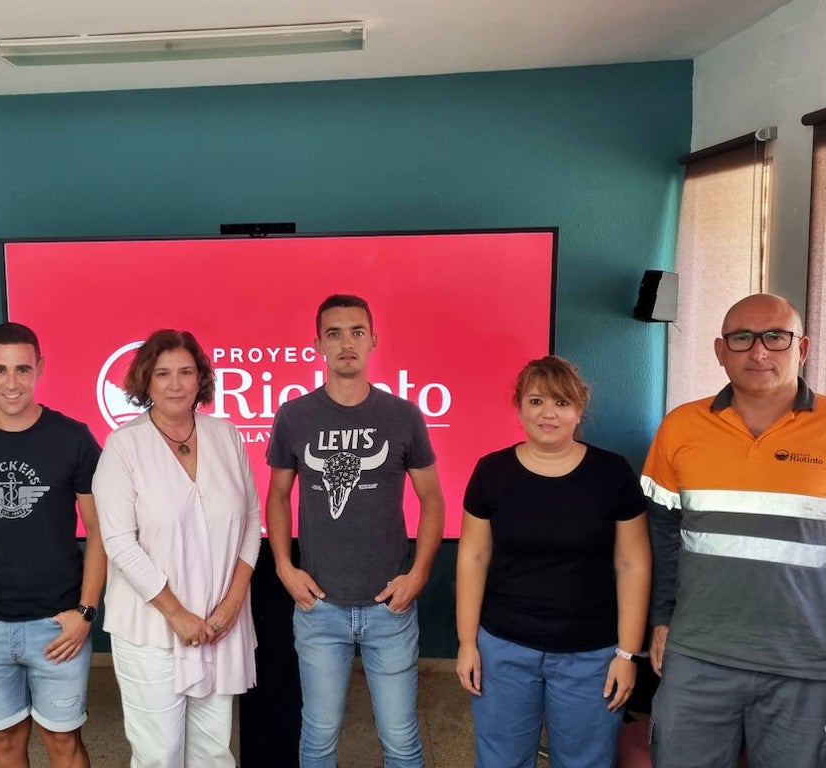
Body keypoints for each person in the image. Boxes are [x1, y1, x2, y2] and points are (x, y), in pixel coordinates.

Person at [643, 293, 826, 767]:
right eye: (742, 338)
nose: (759, 352)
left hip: (808, 663)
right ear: (721, 351)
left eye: (775, 337)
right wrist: (661, 618)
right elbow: (661, 535)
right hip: (698, 654)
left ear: (801, 348)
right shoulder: (680, 427)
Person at [266, 294, 446, 768]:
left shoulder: (403, 416)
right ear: (317, 345)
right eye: (334, 333)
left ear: (373, 341)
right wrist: (284, 567)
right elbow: (277, 495)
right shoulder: (294, 416)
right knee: (319, 736)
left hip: (391, 605)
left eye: (356, 332)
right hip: (319, 607)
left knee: (402, 740)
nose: (347, 342)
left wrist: (419, 574)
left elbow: (432, 500)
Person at [455, 355, 650, 767]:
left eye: (561, 403)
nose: (549, 414)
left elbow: (633, 565)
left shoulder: (612, 474)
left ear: (579, 410)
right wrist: (468, 643)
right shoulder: (491, 471)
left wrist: (627, 654)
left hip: (592, 654)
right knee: (500, 761)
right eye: (537, 401)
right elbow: (473, 557)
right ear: (519, 406)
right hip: (503, 648)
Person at [0, 321, 104, 768]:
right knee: (5, 743)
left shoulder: (73, 438)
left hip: (58, 623)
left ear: (40, 369)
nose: (12, 382)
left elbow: (100, 529)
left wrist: (86, 611)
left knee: (63, 742)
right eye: (1, 370)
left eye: (23, 369)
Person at [93, 329, 261, 767]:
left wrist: (232, 605)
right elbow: (118, 541)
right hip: (152, 630)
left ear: (200, 379)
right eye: (163, 373)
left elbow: (251, 522)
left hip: (218, 626)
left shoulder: (227, 437)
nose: (175, 383)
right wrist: (176, 613)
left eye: (186, 372)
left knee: (213, 752)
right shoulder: (123, 446)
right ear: (145, 381)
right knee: (159, 754)